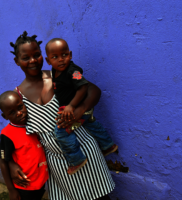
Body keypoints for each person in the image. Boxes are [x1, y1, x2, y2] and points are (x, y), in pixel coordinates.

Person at [8, 31, 114, 200]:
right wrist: (11, 163)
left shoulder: (60, 74)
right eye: (25, 57)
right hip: (57, 164)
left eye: (37, 55)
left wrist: (80, 109)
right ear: (17, 61)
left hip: (85, 149)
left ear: (44, 57)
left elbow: (94, 90)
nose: (33, 61)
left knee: (100, 197)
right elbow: (16, 133)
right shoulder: (17, 96)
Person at [44, 38, 118, 175]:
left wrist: (71, 106)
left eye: (64, 55)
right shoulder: (54, 72)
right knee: (90, 124)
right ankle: (108, 145)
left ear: (70, 55)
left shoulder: (73, 71)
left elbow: (83, 86)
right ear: (48, 61)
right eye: (55, 57)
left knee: (61, 132)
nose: (61, 59)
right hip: (73, 107)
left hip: (77, 107)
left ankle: (76, 159)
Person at [0, 91, 48, 200]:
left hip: (41, 181)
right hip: (24, 185)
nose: (19, 113)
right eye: (12, 112)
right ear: (5, 116)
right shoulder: (7, 134)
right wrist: (11, 190)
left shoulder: (34, 124)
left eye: (20, 107)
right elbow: (3, 160)